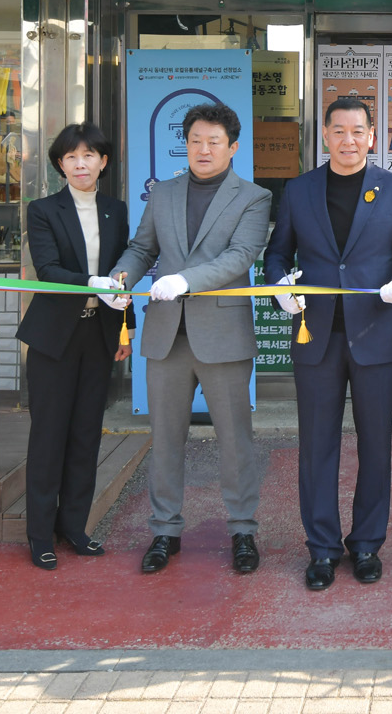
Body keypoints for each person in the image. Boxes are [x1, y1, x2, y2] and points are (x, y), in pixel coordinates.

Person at [263, 96, 392, 591]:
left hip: (377, 333)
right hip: (316, 334)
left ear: (372, 137)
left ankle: (367, 543)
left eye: (358, 132)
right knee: (316, 445)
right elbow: (277, 253)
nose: (348, 141)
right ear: (325, 135)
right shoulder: (299, 190)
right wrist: (281, 288)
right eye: (338, 131)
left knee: (376, 444)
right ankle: (322, 548)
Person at [104, 102, 272, 576]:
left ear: (232, 147)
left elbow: (240, 256)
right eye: (196, 140)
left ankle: (242, 530)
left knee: (235, 440)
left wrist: (185, 280)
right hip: (166, 335)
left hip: (222, 335)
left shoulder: (253, 197)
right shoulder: (163, 192)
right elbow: (142, 248)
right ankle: (164, 530)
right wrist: (119, 277)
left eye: (214, 141)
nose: (203, 149)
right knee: (165, 438)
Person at [16, 122, 135, 570]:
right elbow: (47, 269)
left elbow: (123, 271)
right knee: (49, 436)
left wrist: (125, 328)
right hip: (54, 337)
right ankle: (40, 535)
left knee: (86, 434)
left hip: (98, 334)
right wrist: (92, 282)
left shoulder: (115, 210)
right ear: (60, 165)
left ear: (103, 161)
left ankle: (75, 527)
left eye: (89, 156)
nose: (80, 164)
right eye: (71, 157)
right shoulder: (43, 209)